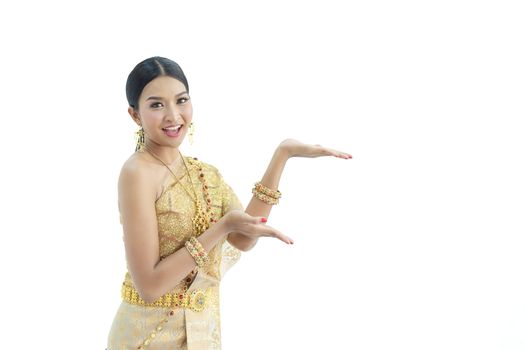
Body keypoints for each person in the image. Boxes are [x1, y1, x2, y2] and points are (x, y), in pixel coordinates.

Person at [106, 56, 352, 350]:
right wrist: (220, 228)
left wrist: (282, 155)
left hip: (201, 335)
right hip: (145, 338)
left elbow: (243, 239)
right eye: (157, 105)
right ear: (135, 115)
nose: (174, 115)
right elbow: (149, 286)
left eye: (181, 100)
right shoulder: (137, 173)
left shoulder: (204, 174)